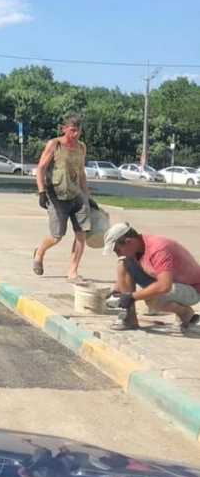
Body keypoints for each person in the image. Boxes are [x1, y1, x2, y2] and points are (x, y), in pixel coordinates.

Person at [103, 222, 200, 335]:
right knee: (123, 264)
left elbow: (164, 286)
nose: (118, 254)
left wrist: (132, 297)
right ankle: (130, 319)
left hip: (192, 289)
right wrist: (117, 292)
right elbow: (126, 270)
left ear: (128, 241)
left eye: (118, 250)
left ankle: (185, 313)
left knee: (152, 299)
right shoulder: (137, 247)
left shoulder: (158, 248)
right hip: (169, 282)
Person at [32, 114, 97, 283]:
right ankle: (39, 252)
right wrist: (41, 192)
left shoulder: (81, 147)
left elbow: (81, 173)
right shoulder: (55, 145)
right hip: (57, 196)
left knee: (81, 235)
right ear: (64, 129)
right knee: (56, 236)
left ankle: (73, 273)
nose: (76, 134)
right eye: (72, 130)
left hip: (77, 196)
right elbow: (40, 169)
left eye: (78, 131)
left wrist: (88, 197)